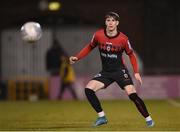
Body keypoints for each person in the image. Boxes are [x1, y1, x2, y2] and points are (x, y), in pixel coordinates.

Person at [69, 12, 154, 127]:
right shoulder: (98, 35)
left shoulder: (123, 39)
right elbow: (90, 46)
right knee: (88, 90)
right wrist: (77, 57)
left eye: (113, 20)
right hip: (106, 72)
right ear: (105, 22)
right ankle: (102, 117)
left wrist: (136, 72)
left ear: (117, 23)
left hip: (120, 71)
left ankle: (149, 119)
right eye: (108, 20)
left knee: (132, 95)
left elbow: (131, 55)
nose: (110, 23)